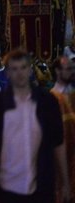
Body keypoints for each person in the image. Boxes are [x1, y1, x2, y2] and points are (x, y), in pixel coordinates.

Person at [0, 50, 71, 203]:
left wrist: (65, 182)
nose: (19, 73)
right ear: (7, 72)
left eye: (23, 67)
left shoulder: (47, 103)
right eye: (14, 69)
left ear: (29, 69)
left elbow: (58, 143)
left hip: (40, 185)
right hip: (4, 188)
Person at [51, 56, 75, 198]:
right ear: (57, 71)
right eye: (69, 69)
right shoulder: (52, 98)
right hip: (61, 158)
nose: (73, 72)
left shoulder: (73, 94)